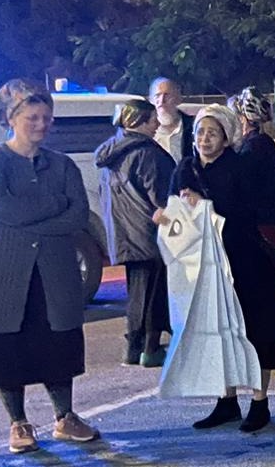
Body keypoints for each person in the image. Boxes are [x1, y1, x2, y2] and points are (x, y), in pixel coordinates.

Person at [0, 80, 99, 454]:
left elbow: (78, 215)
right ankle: (18, 423)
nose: (42, 124)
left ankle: (65, 417)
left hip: (53, 270)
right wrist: (54, 206)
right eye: (33, 117)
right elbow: (2, 209)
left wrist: (33, 218)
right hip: (1, 271)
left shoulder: (62, 165)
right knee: (6, 345)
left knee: (57, 342)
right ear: (11, 119)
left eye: (46, 117)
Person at [169, 104, 275, 432]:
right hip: (204, 267)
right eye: (200, 132)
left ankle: (259, 402)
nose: (204, 138)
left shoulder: (240, 167)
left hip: (245, 263)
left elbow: (250, 212)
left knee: (255, 332)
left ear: (226, 138)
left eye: (213, 133)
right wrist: (165, 217)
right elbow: (172, 212)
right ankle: (226, 401)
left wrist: (206, 207)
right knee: (217, 332)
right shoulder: (184, 169)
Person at [95, 98, 176, 368]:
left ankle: (135, 348)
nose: (157, 125)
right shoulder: (148, 153)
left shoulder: (110, 153)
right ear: (138, 121)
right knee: (153, 293)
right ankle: (147, 349)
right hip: (149, 233)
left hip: (123, 232)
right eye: (153, 120)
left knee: (137, 292)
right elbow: (162, 197)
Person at [227, 87, 275, 246]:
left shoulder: (252, 148)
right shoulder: (263, 142)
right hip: (269, 218)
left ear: (242, 119)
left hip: (258, 222)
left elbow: (237, 182)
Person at [150, 77, 196, 162]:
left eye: (167, 95)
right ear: (151, 100)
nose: (162, 101)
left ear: (178, 99)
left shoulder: (193, 127)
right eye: (157, 96)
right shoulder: (144, 129)